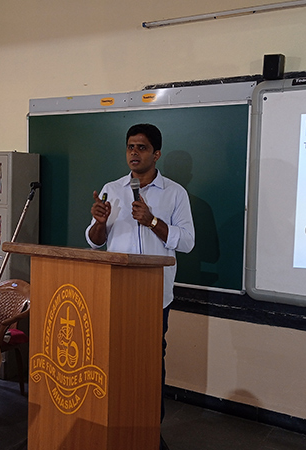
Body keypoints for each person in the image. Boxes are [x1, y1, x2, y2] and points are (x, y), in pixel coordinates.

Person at [86, 123, 195, 448]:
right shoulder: (112, 188)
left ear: (156, 154)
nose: (134, 153)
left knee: (148, 365)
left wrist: (152, 221)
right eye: (130, 147)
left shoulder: (175, 193)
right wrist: (100, 223)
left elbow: (187, 242)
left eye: (142, 147)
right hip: (115, 293)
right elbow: (94, 241)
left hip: (153, 296)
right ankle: (116, 424)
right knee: (114, 361)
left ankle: (149, 430)